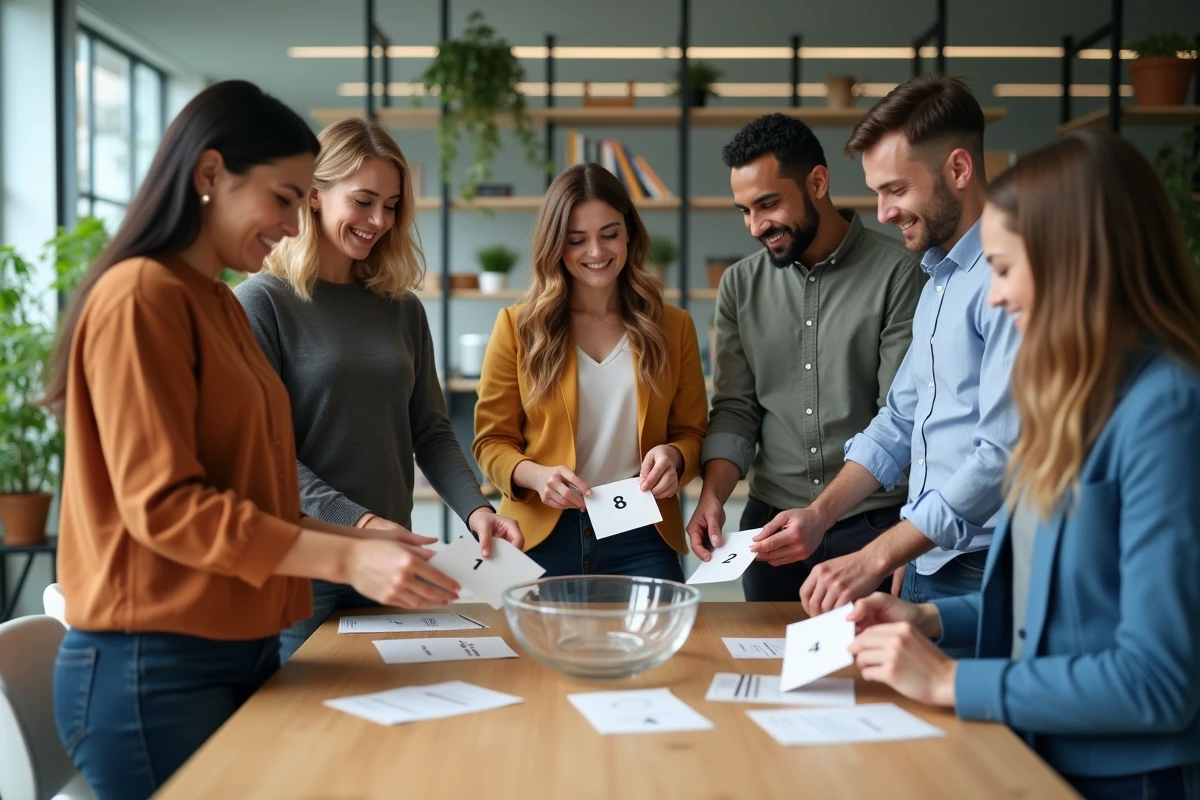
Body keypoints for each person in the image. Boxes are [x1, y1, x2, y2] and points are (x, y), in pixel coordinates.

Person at [46, 81, 462, 800]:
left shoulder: (213, 302)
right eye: (284, 198)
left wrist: (365, 548)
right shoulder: (143, 295)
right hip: (154, 667)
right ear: (211, 175)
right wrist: (347, 551)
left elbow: (257, 492)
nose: (294, 224)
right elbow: (168, 507)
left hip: (230, 649)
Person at [847, 129, 1200, 800]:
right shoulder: (1070, 402)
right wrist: (934, 622)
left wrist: (951, 680)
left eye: (1007, 269)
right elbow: (1051, 614)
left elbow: (1157, 680)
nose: (998, 297)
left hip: (1126, 778)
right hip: (1032, 755)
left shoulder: (1170, 410)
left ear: (1076, 263)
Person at [236, 118, 522, 663]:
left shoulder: (402, 309)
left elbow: (431, 431)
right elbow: (263, 454)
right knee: (302, 733)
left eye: (391, 206)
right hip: (302, 564)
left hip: (391, 562)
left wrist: (477, 511)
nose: (379, 221)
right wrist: (360, 523)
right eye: (364, 202)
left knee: (399, 719)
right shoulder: (261, 302)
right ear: (315, 196)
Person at [794, 76, 1021, 636]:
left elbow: (999, 456)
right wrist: (819, 517)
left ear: (959, 170)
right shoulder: (938, 279)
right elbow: (899, 420)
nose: (883, 211)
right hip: (925, 560)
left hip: (981, 570)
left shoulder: (1009, 282)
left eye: (895, 189)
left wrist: (877, 554)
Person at [685, 112, 924, 601]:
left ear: (817, 182)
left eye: (768, 204)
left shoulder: (900, 274)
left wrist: (903, 538)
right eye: (744, 210)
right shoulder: (738, 286)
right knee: (766, 670)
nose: (756, 226)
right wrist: (713, 495)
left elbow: (902, 418)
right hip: (769, 531)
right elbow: (737, 409)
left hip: (872, 526)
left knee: (868, 674)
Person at [473, 163, 708, 580]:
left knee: (659, 646)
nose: (596, 253)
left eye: (609, 234)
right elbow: (491, 442)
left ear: (630, 233)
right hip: (539, 535)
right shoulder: (517, 327)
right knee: (531, 648)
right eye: (577, 240)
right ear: (555, 246)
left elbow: (692, 432)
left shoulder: (674, 327)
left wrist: (674, 456)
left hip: (641, 533)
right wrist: (537, 475)